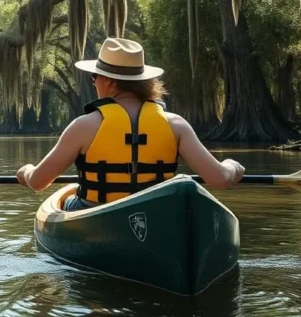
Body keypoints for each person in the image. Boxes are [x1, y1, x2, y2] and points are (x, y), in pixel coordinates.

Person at [16, 37, 244, 210]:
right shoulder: (176, 125)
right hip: (157, 216)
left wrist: (25, 172)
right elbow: (221, 179)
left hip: (97, 215)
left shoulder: (83, 126)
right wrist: (232, 166)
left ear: (109, 82)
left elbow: (38, 182)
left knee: (66, 202)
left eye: (94, 77)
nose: (93, 83)